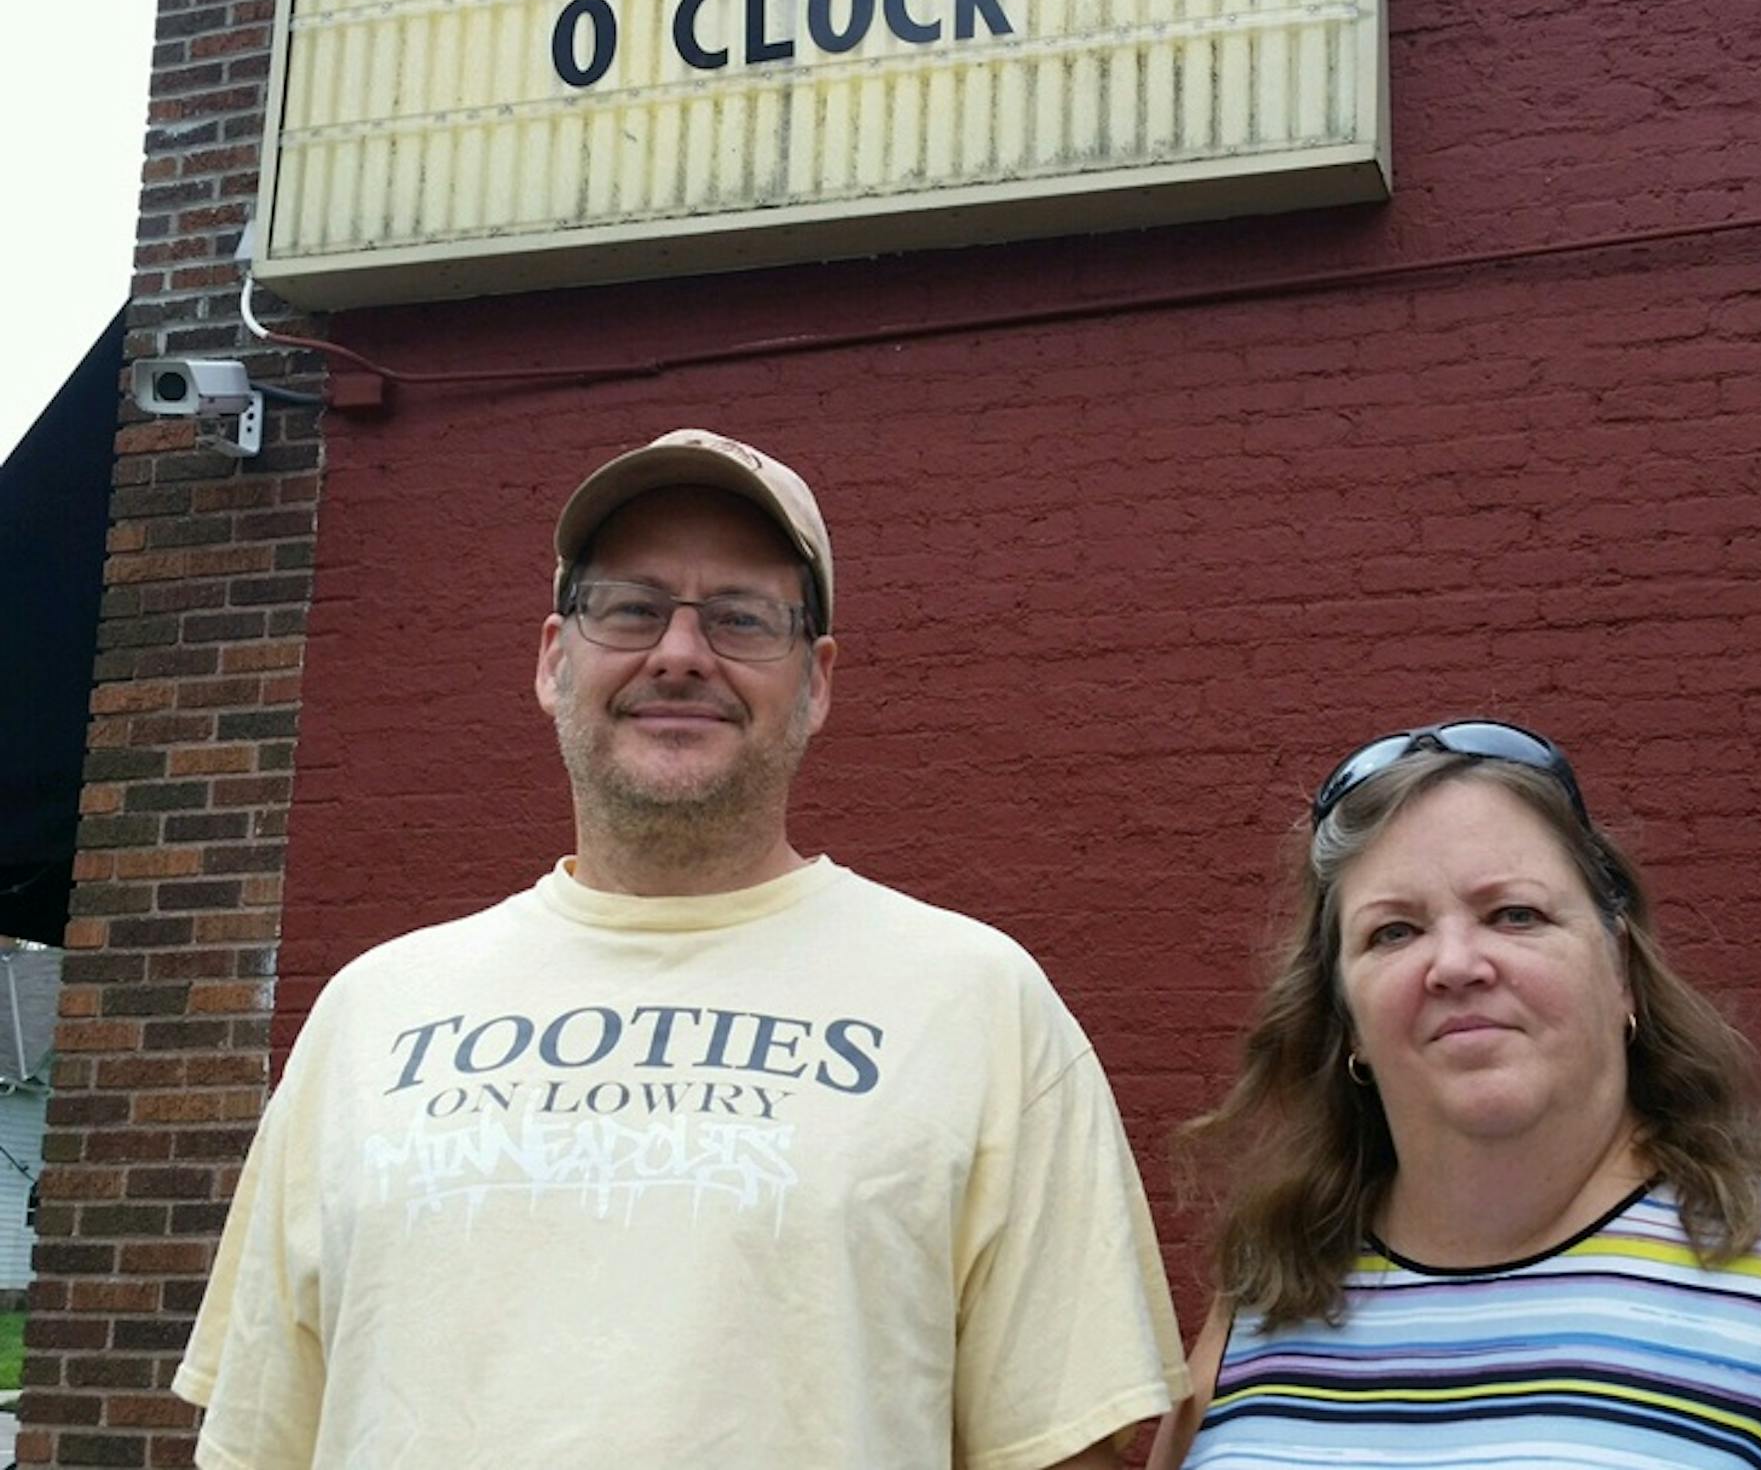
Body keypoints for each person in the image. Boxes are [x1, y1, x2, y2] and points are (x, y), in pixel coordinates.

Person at [178, 428, 1187, 1470]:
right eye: (631, 606)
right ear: (552, 658)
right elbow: (260, 1440)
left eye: (742, 617)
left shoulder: (981, 1005)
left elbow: (1064, 1450)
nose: (680, 652)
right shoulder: (370, 1013)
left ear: (817, 681)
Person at [1147, 719, 1761, 1470]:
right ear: (1345, 1018)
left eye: (1516, 914)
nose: (1458, 964)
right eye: (1393, 933)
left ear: (1621, 972)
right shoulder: (1275, 1288)